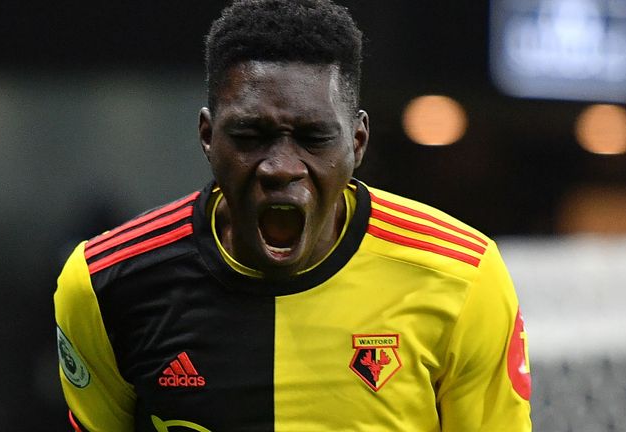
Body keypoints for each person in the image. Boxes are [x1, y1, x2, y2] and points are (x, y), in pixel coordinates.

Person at [54, 0, 532, 430]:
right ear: (207, 135)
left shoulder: (462, 279)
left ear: (357, 143)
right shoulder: (105, 285)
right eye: (250, 135)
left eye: (314, 137)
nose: (281, 167)